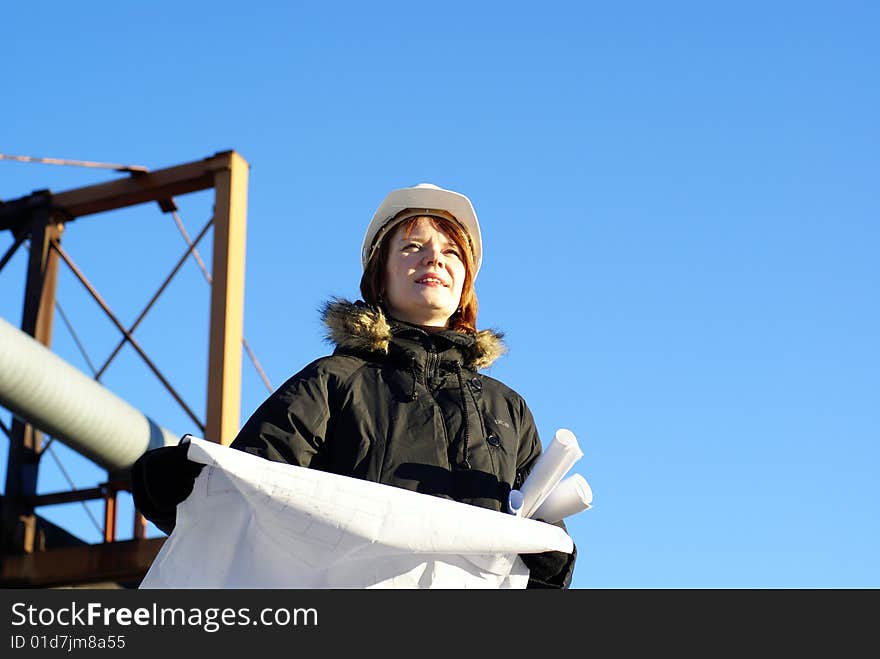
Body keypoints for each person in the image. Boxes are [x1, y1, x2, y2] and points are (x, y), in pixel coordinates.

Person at [131, 183, 576, 588]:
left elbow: (540, 563)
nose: (434, 259)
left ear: (465, 286)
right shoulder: (334, 380)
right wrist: (187, 485)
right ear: (379, 279)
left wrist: (554, 552)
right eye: (413, 247)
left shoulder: (507, 410)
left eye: (451, 252)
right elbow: (257, 483)